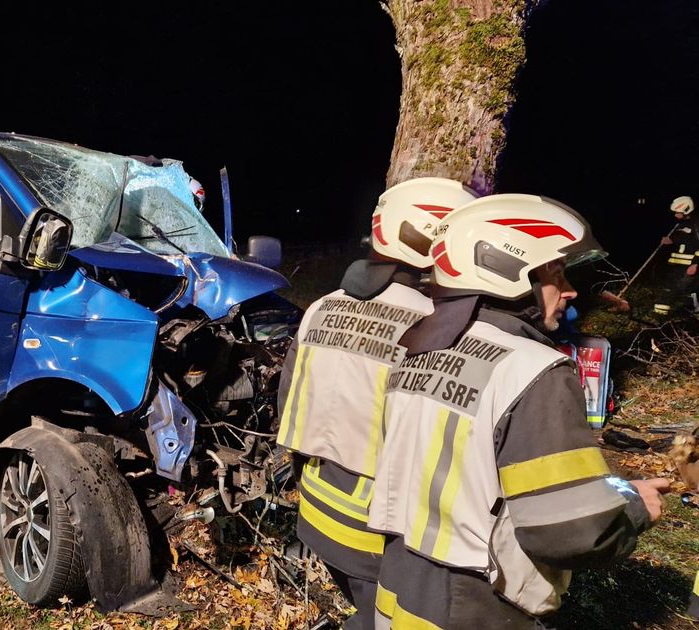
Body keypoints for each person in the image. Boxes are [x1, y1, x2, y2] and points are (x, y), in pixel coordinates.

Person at [370, 194, 669, 628]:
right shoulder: (535, 370)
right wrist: (635, 507)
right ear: (507, 269)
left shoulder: (419, 347)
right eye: (555, 274)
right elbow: (570, 530)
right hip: (477, 601)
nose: (569, 290)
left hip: (400, 575)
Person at [276, 177, 478, 628]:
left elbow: (288, 405)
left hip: (318, 512)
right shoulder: (431, 326)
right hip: (380, 533)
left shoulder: (321, 307)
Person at [654, 195, 698, 316]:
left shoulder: (696, 224)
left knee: (674, 290)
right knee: (684, 291)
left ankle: (660, 319)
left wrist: (696, 264)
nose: (675, 215)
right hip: (675, 265)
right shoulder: (679, 225)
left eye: (677, 212)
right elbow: (682, 240)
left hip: (689, 266)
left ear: (686, 210)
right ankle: (689, 312)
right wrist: (670, 240)